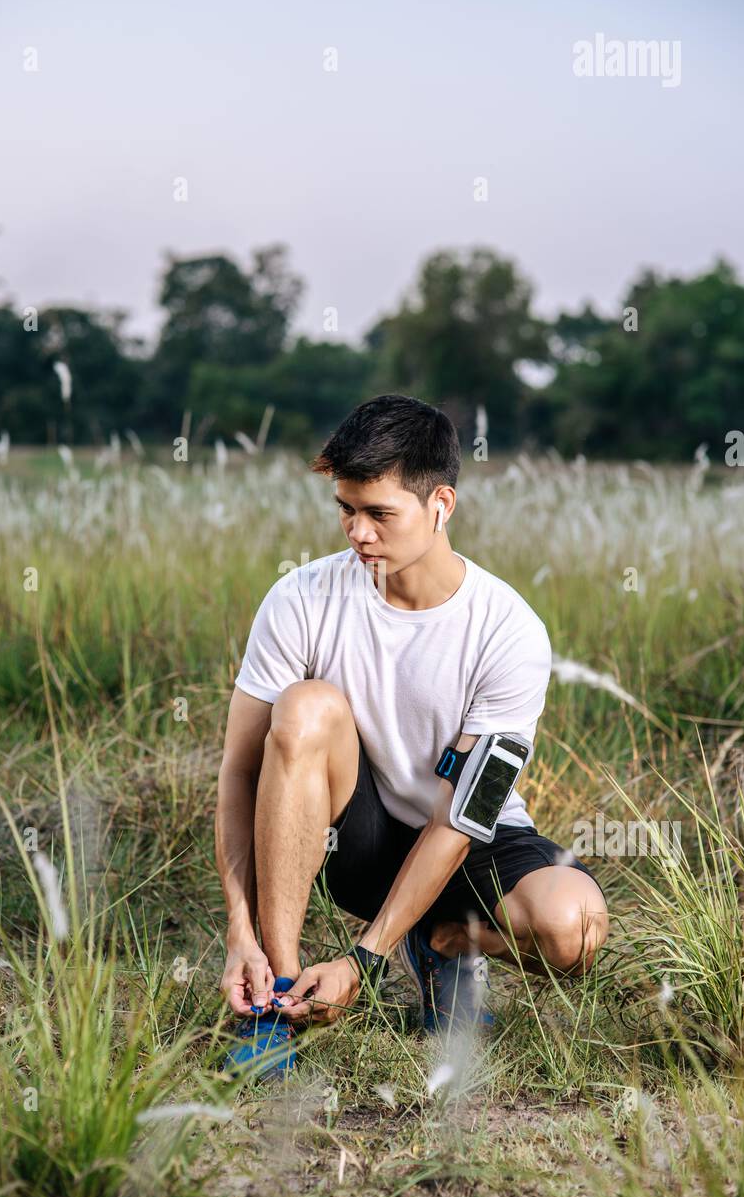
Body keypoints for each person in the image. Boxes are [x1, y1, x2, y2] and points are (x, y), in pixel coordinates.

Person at [216, 394, 609, 1077]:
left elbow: (463, 816)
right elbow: (240, 772)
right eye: (345, 509)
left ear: (441, 505)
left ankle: (442, 943)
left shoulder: (508, 630)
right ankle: (282, 998)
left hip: (465, 838)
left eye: (378, 514)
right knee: (305, 706)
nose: (357, 533)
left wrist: (363, 963)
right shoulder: (301, 598)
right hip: (356, 841)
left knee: (572, 927)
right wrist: (238, 933)